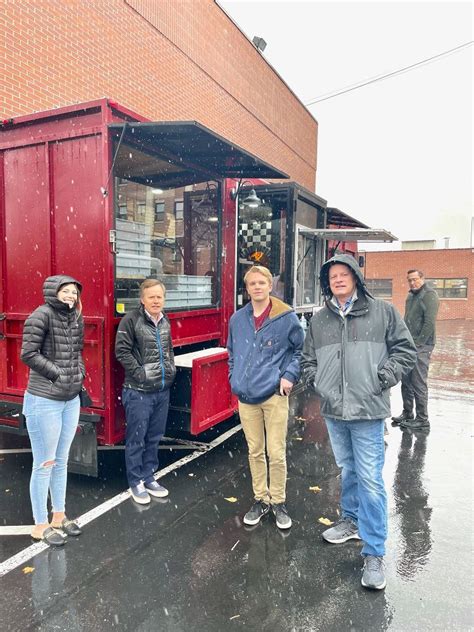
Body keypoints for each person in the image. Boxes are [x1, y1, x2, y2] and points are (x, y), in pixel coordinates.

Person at [301, 254, 416, 590]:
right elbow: (307, 360)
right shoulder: (320, 320)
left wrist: (383, 377)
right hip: (335, 412)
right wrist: (319, 383)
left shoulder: (382, 313)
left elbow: (405, 351)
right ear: (327, 283)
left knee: (369, 479)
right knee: (348, 470)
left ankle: (374, 551)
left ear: (355, 277)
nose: (338, 279)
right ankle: (351, 521)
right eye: (332, 276)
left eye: (343, 273)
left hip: (368, 410)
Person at [227, 265, 304, 529]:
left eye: (262, 283)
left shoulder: (285, 318)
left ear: (270, 286)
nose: (257, 287)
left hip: (273, 395)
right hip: (246, 397)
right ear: (247, 289)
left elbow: (299, 351)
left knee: (276, 452)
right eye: (252, 284)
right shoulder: (237, 319)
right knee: (255, 451)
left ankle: (278, 501)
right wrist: (234, 378)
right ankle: (261, 499)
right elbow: (232, 353)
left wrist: (289, 376)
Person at [21, 275, 85, 547]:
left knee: (61, 460)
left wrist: (78, 374)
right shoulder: (41, 315)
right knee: (44, 463)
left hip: (71, 399)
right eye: (66, 291)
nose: (70, 295)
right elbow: (29, 353)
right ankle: (40, 524)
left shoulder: (75, 317)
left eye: (74, 292)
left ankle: (59, 515)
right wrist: (57, 374)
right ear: (53, 292)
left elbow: (77, 353)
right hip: (44, 399)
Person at [115, 278, 176, 505]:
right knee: (137, 438)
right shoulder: (131, 320)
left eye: (159, 296)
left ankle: (149, 476)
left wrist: (170, 371)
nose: (156, 301)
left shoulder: (164, 320)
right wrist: (141, 374)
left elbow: (168, 349)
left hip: (161, 389)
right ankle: (135, 481)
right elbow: (121, 352)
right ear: (142, 299)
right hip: (138, 391)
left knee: (154, 437)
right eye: (151, 297)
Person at [392, 269, 440, 430]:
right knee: (406, 381)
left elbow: (429, 323)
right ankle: (407, 413)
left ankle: (422, 419)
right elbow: (407, 319)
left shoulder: (429, 295)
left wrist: (418, 343)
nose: (412, 283)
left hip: (422, 346)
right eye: (409, 280)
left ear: (422, 278)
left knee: (418, 382)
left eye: (415, 279)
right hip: (409, 345)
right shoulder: (411, 295)